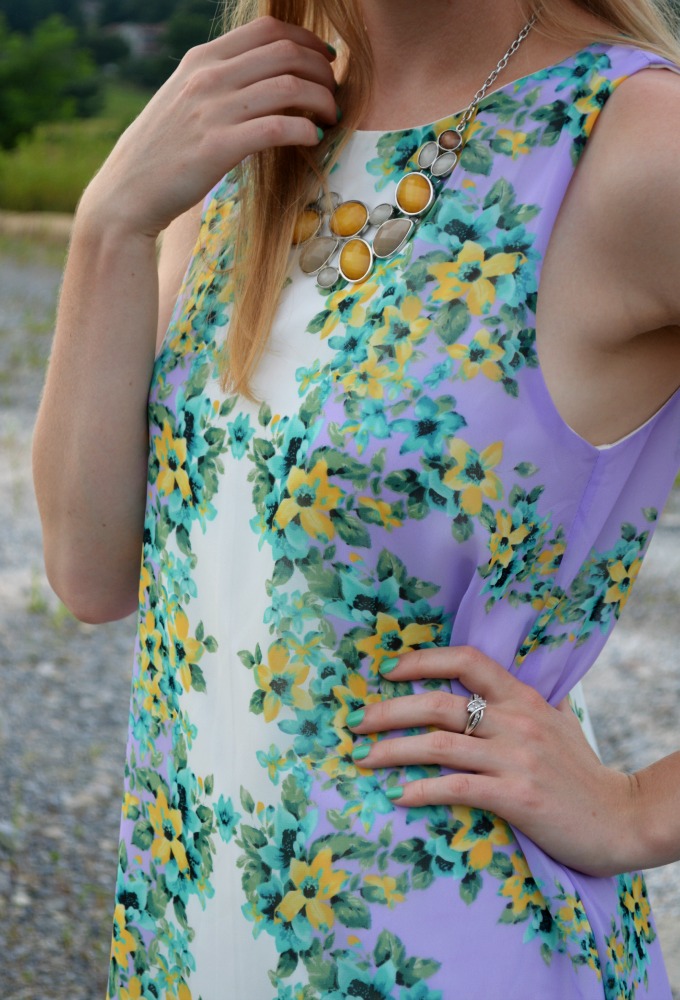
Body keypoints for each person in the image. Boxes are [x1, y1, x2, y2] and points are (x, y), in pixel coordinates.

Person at [32, 0, 680, 996]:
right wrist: (111, 223)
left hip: (453, 951)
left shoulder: (628, 142)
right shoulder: (240, 129)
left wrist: (636, 808)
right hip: (190, 940)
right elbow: (92, 567)